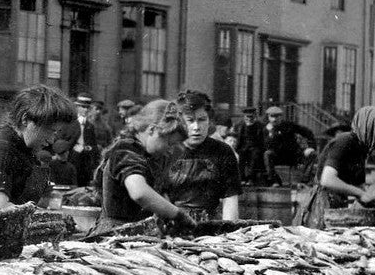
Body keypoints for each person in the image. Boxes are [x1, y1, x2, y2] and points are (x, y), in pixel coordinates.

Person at [0, 84, 74, 214]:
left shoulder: (25, 150)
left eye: (56, 132)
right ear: (25, 119)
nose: (51, 140)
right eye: (49, 131)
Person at [98, 99, 199, 233]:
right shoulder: (125, 150)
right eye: (169, 143)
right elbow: (139, 192)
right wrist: (178, 215)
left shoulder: (154, 156)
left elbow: (160, 193)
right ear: (152, 129)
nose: (170, 151)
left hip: (139, 232)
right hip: (115, 234)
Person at [297, 106, 375, 228]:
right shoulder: (345, 141)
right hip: (320, 207)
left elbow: (363, 194)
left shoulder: (361, 149)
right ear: (372, 128)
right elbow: (327, 180)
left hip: (336, 206)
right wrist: (360, 193)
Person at [159, 90, 241, 222]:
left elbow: (230, 199)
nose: (196, 127)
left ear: (209, 121)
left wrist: (228, 233)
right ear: (179, 122)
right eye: (190, 120)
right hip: (171, 223)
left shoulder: (223, 151)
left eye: (202, 120)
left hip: (209, 225)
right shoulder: (167, 150)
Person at [262, 105, 315, 185]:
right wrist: (271, 133)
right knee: (267, 154)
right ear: (268, 117)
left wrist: (310, 147)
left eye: (277, 116)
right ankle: (274, 181)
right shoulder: (266, 129)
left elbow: (308, 132)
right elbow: (266, 146)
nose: (274, 119)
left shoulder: (289, 125)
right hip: (278, 156)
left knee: (312, 154)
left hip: (293, 155)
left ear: (281, 117)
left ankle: (305, 180)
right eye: (272, 116)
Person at [59, 93, 99, 186]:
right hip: (70, 158)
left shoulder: (89, 126)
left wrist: (89, 148)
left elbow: (93, 145)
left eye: (87, 108)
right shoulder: (69, 123)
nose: (85, 110)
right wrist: (72, 148)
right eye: (82, 107)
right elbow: (61, 141)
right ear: (76, 107)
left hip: (85, 161)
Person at [233, 106, 266, 184]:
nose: (249, 119)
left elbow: (262, 140)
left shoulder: (260, 125)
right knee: (241, 155)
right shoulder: (240, 125)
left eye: (251, 116)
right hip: (244, 146)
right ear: (244, 117)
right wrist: (237, 148)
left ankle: (251, 178)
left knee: (254, 156)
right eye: (247, 116)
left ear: (255, 116)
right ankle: (242, 178)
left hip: (256, 146)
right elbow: (237, 138)